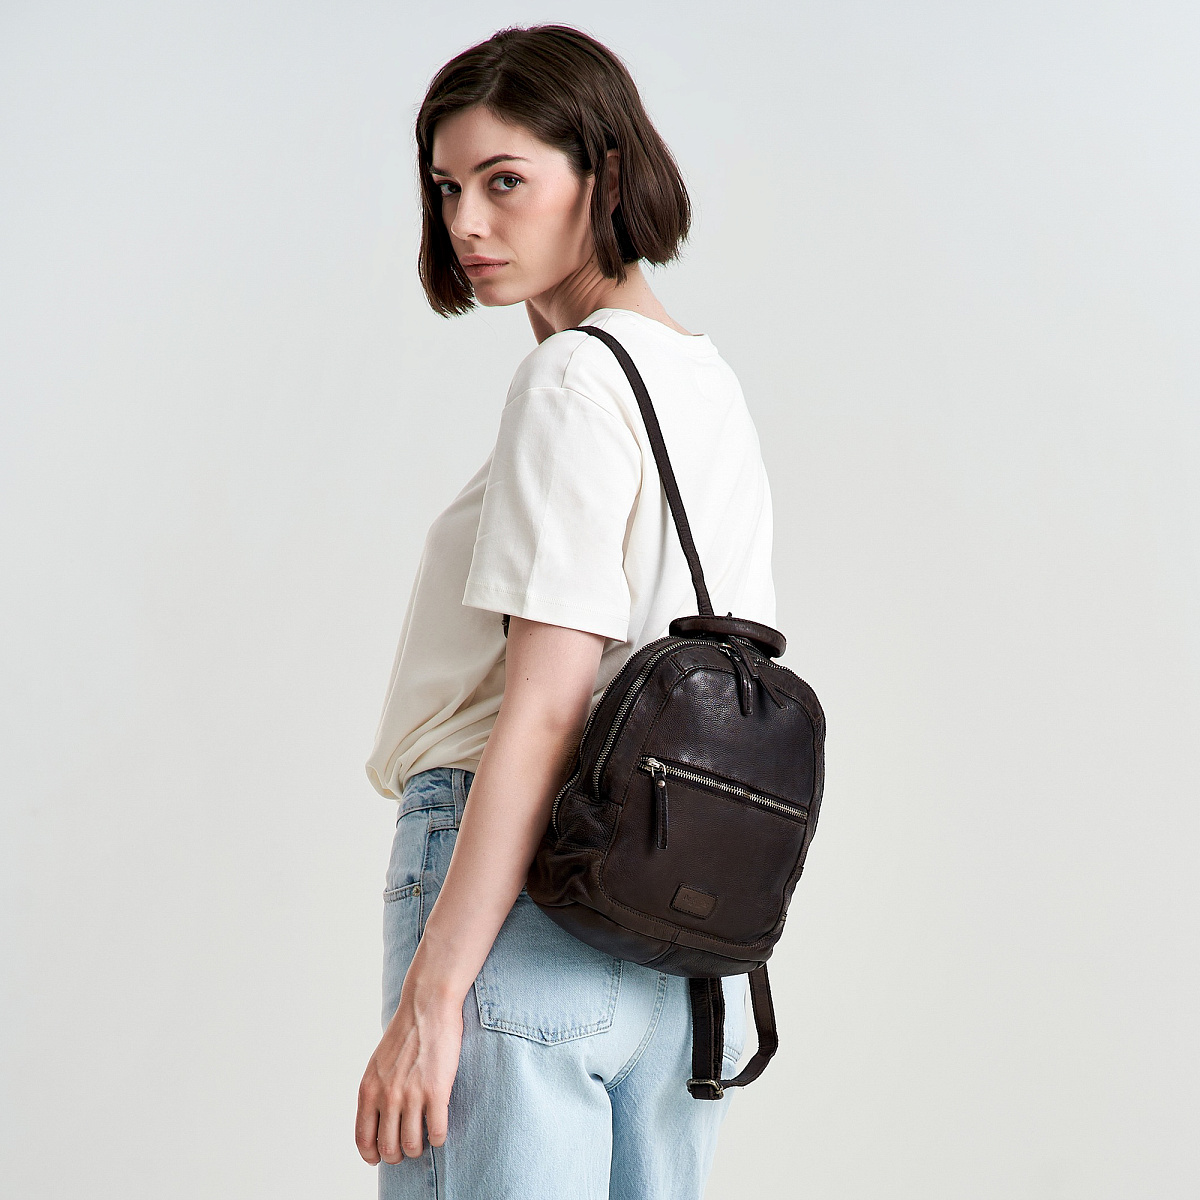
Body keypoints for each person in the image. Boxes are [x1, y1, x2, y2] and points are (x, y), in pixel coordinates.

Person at [356, 24, 778, 1199]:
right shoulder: (706, 384)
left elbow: (546, 712)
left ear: (604, 171)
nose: (467, 223)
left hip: (514, 899)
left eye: (506, 181)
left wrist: (432, 997)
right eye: (448, 187)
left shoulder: (569, 377)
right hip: (680, 946)